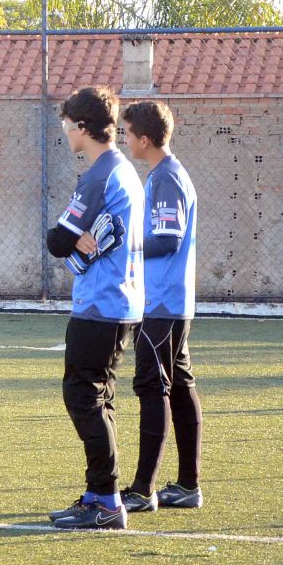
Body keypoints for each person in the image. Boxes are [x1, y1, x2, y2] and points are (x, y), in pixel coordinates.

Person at [44, 85, 146, 531]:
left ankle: (106, 500)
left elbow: (57, 241)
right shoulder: (121, 170)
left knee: (83, 396)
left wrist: (69, 238)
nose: (66, 134)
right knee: (97, 398)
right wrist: (71, 238)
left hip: (101, 304)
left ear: (83, 127)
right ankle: (97, 492)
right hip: (119, 301)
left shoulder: (100, 174)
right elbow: (68, 239)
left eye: (68, 126)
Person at [119, 99, 204, 513]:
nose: (124, 140)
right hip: (169, 302)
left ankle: (141, 490)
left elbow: (167, 239)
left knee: (154, 388)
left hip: (161, 302)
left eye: (127, 133)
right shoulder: (164, 175)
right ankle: (188, 485)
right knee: (181, 387)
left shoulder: (166, 178)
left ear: (145, 139)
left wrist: (125, 245)